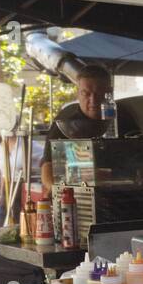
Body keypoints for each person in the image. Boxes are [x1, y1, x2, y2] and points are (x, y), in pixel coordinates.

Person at [39, 64, 113, 198]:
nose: (93, 100)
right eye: (86, 93)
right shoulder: (65, 124)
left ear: (110, 92)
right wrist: (59, 192)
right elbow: (47, 167)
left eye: (99, 93)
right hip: (75, 199)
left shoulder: (123, 118)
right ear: (78, 93)